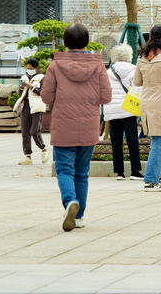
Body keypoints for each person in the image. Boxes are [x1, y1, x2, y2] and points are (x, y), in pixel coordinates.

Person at [41, 23, 112, 231]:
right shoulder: (98, 65)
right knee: (82, 172)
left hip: (63, 124)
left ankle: (70, 201)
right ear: (86, 42)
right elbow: (106, 97)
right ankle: (79, 217)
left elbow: (46, 96)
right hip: (89, 125)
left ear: (65, 42)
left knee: (64, 169)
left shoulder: (55, 65)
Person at [134, 24, 161, 191]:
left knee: (158, 138)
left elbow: (137, 82)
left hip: (146, 101)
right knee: (160, 141)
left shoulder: (142, 57)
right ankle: (151, 178)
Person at [105, 43, 143, 181]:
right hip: (128, 109)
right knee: (133, 140)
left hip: (112, 110)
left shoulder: (108, 72)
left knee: (116, 141)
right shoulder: (133, 70)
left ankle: (119, 172)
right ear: (128, 56)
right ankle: (135, 170)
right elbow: (138, 88)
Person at [18, 57, 49, 166]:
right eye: (27, 68)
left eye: (31, 68)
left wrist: (31, 87)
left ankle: (44, 149)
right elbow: (19, 93)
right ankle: (27, 156)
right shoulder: (24, 77)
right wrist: (22, 88)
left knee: (34, 131)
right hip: (26, 105)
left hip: (37, 106)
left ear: (36, 68)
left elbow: (43, 93)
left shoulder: (42, 78)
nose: (29, 70)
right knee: (25, 131)